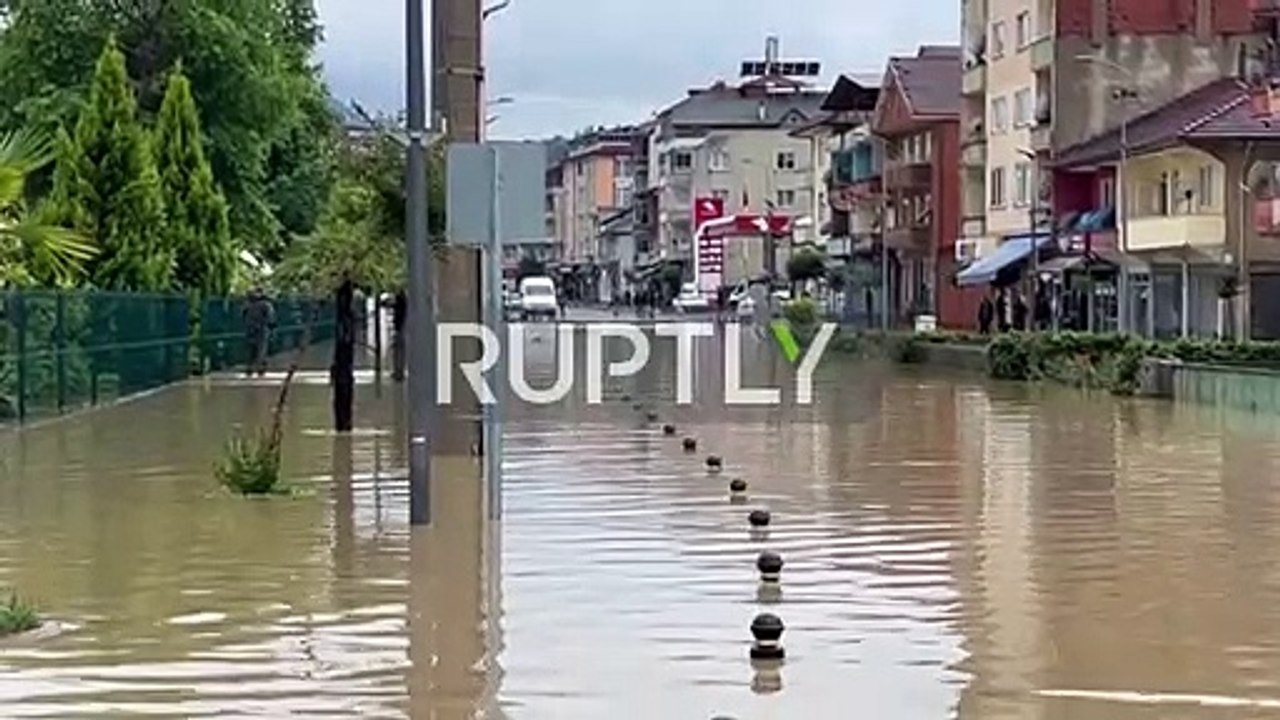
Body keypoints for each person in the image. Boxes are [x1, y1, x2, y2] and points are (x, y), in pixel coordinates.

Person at [242, 286, 276, 377]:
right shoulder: (266, 304)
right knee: (261, 349)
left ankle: (249, 368)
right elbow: (271, 318)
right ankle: (260, 369)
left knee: (251, 350)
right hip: (262, 329)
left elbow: (243, 316)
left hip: (251, 329)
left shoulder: (248, 304)